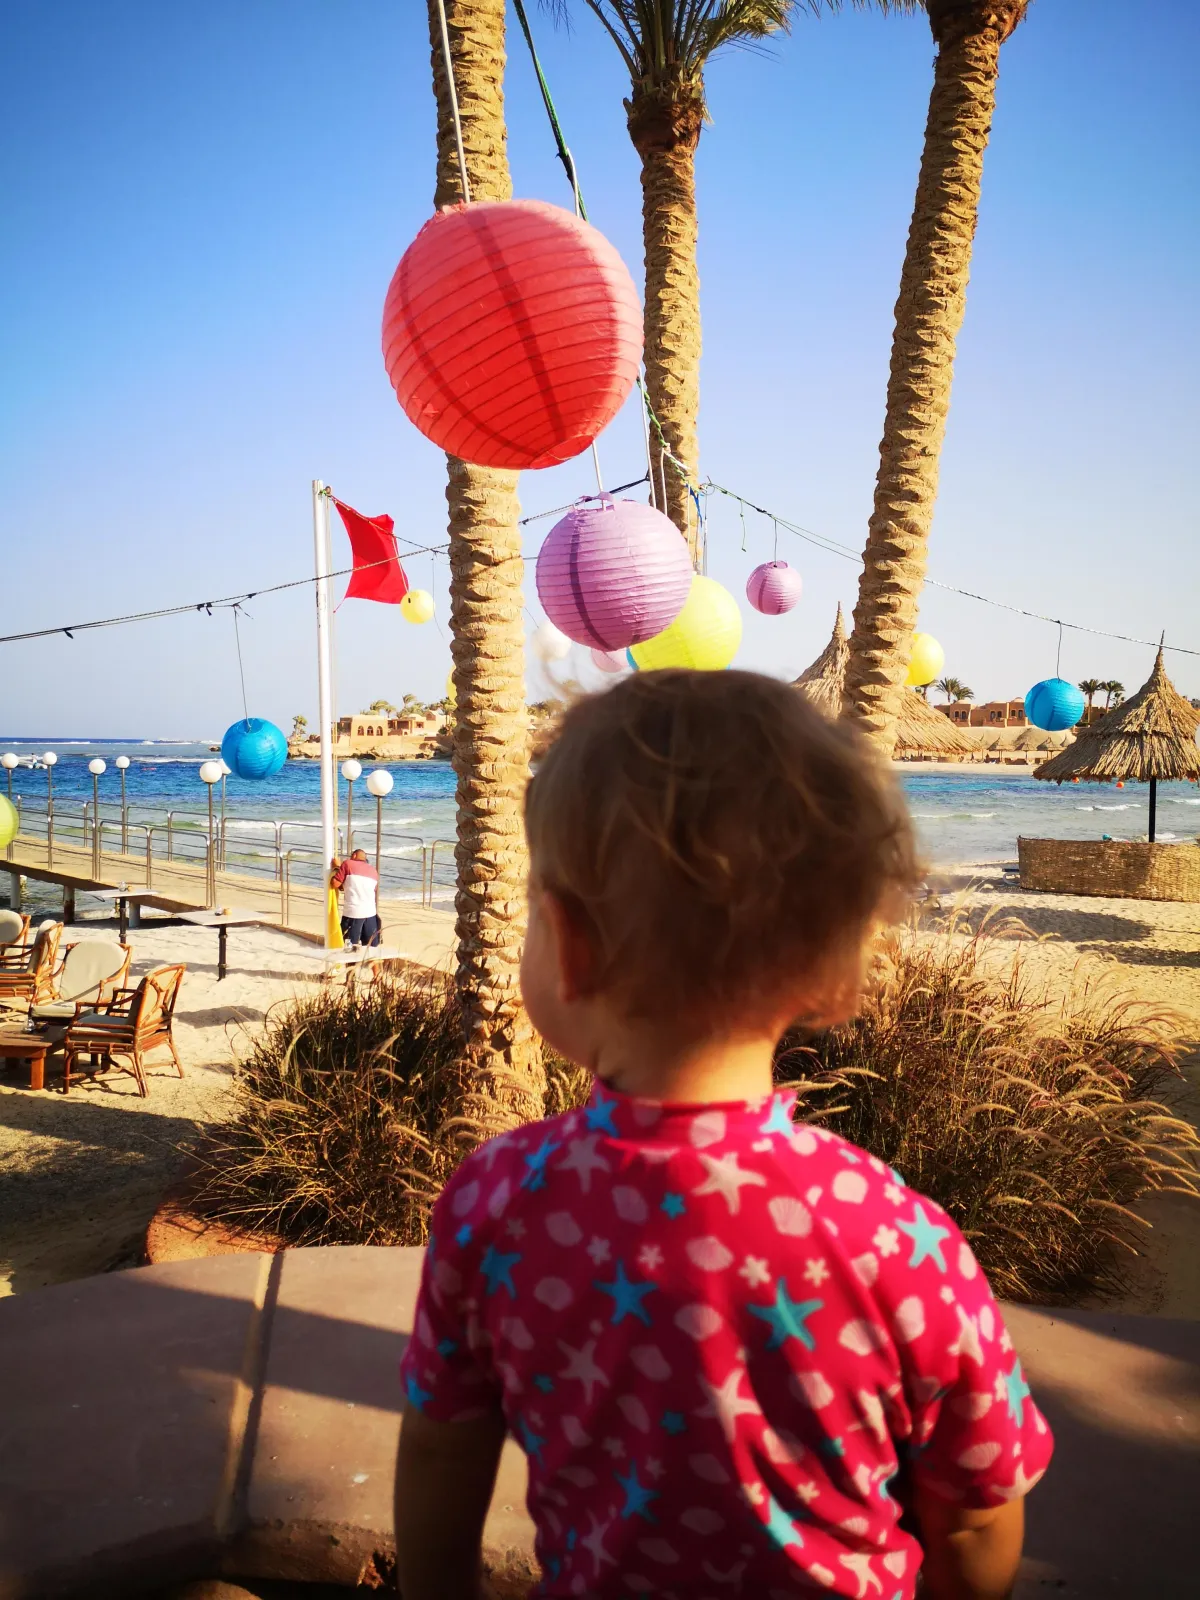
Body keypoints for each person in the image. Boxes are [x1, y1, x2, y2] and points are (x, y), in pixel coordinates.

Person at [395, 670, 1053, 1600]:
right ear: (832, 971)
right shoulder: (895, 1235)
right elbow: (982, 1510)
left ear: (568, 948)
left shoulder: (495, 1202)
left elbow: (440, 1446)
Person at [330, 847, 382, 948]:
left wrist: (337, 868)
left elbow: (335, 883)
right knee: (371, 950)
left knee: (348, 949)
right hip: (371, 914)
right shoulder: (374, 871)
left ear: (354, 855)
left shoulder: (347, 863)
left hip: (353, 913)